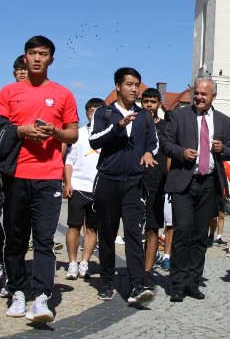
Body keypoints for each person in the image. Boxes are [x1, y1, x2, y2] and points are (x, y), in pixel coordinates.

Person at [0, 36, 79, 322]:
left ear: (50, 60)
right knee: (16, 238)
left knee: (44, 239)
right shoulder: (8, 92)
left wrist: (55, 132)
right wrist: (23, 130)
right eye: (32, 53)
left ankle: (41, 298)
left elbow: (73, 133)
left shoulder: (64, 94)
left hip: (48, 176)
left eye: (42, 54)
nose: (36, 58)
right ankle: (17, 291)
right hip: (16, 173)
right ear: (25, 56)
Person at [161, 77, 230, 301]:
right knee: (183, 230)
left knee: (201, 235)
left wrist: (223, 149)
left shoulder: (223, 121)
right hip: (185, 181)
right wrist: (181, 152)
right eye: (197, 93)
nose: (199, 97)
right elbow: (165, 143)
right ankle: (177, 282)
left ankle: (193, 281)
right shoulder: (178, 115)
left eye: (204, 94)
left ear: (213, 96)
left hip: (209, 183)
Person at [89, 67, 158, 305]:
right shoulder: (104, 112)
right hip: (108, 179)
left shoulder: (145, 116)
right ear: (118, 86)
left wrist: (149, 152)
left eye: (137, 85)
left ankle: (136, 284)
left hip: (134, 183)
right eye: (129, 84)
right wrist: (119, 125)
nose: (134, 89)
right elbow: (94, 140)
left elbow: (154, 142)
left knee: (133, 233)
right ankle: (107, 281)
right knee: (107, 234)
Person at [0, 56, 30, 294]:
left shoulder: (35, 98)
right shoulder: (6, 95)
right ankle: (2, 255)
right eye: (19, 70)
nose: (23, 73)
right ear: (14, 73)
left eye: (25, 69)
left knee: (16, 221)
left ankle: (12, 271)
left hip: (21, 164)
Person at [63, 98, 104, 280]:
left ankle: (85, 262)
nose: (94, 115)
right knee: (73, 226)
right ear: (86, 113)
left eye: (98, 111)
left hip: (98, 188)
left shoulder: (107, 135)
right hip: (79, 185)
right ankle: (72, 262)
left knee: (92, 228)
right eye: (91, 111)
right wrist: (68, 182)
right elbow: (69, 160)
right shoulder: (78, 134)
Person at [140, 88, 168, 273]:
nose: (149, 105)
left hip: (158, 183)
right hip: (135, 182)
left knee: (152, 229)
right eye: (146, 101)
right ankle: (136, 267)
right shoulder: (135, 124)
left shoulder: (166, 127)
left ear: (159, 104)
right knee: (133, 230)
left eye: (153, 101)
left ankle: (147, 272)